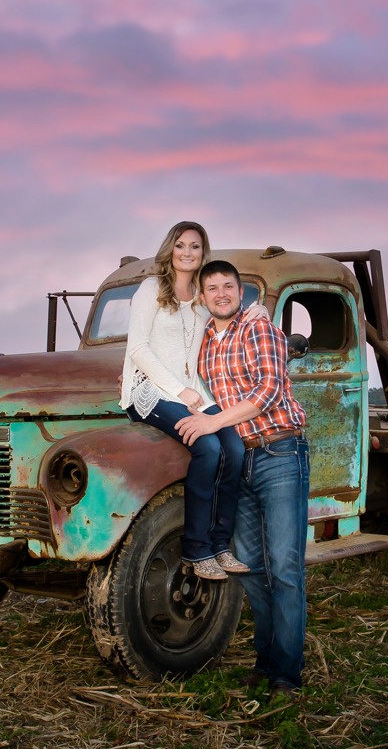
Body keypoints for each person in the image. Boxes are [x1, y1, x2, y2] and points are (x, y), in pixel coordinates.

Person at [175, 258, 310, 701]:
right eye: (211, 287)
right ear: (202, 295)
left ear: (241, 292)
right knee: (251, 566)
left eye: (227, 286)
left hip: (278, 453)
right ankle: (265, 660)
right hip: (240, 462)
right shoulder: (203, 343)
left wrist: (214, 425)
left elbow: (268, 391)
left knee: (285, 567)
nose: (220, 294)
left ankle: (287, 675)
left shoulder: (259, 329)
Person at [119, 222, 251, 580]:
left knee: (234, 449)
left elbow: (234, 314)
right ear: (171, 249)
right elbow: (139, 349)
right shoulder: (151, 289)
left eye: (195, 246)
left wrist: (261, 312)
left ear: (202, 252)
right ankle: (196, 550)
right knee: (207, 446)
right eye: (181, 245)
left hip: (193, 391)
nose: (187, 253)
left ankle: (221, 544)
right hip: (151, 390)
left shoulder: (202, 297)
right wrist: (180, 392)